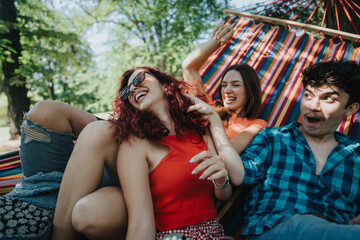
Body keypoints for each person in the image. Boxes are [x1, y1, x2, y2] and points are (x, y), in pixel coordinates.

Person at [51, 66, 234, 240]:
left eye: (139, 79)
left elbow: (223, 195)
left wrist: (221, 181)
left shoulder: (199, 129)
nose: (132, 90)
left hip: (214, 232)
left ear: (164, 85)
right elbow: (141, 222)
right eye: (126, 92)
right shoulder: (135, 144)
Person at [192, 60, 360, 240]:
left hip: (338, 231)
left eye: (328, 98)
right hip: (272, 231)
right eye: (308, 95)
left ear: (350, 108)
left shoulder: (356, 154)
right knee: (302, 225)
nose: (312, 106)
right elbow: (240, 173)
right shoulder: (273, 137)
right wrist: (214, 121)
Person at [0, 101, 100, 239]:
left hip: (35, 210)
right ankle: (121, 125)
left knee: (100, 131)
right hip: (29, 191)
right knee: (45, 110)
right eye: (126, 90)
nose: (132, 88)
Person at [182, 23, 267, 153]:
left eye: (236, 85)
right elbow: (188, 67)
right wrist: (217, 41)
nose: (227, 90)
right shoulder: (208, 107)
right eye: (224, 85)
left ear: (250, 91)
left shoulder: (256, 124)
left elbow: (228, 151)